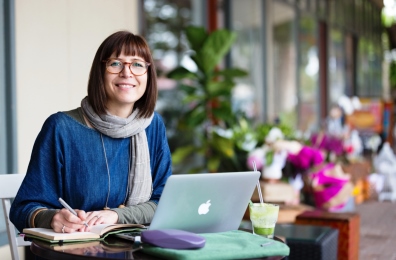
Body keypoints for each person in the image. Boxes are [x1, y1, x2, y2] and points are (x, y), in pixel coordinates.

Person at [10, 31, 172, 234]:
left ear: (149, 75)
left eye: (137, 64)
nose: (127, 73)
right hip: (76, 251)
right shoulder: (61, 128)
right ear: (100, 72)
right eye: (115, 63)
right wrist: (53, 218)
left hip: (138, 248)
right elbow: (22, 209)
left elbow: (165, 201)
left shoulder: (153, 125)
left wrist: (117, 215)